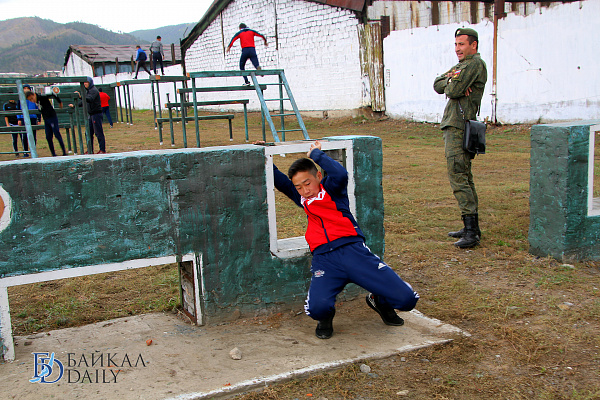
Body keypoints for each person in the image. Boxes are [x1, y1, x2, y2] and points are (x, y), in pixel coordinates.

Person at [269, 140, 419, 339]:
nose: (305, 190)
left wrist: (316, 155)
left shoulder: (331, 189)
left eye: (308, 183)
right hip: (325, 259)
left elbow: (340, 173)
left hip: (353, 252)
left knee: (406, 300)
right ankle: (326, 317)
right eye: (298, 187)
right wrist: (262, 151)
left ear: (319, 177)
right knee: (317, 308)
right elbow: (279, 180)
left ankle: (379, 300)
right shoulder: (303, 199)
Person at [433, 27, 487, 249]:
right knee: (463, 175)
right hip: (454, 125)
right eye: (456, 44)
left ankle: (472, 231)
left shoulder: (474, 64)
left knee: (459, 175)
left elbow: (453, 91)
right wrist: (452, 82)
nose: (457, 49)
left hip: (460, 126)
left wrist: (453, 85)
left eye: (462, 44)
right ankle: (470, 227)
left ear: (473, 45)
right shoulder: (461, 66)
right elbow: (438, 84)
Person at [26, 91, 67, 157]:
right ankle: (53, 154)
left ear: (34, 95)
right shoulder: (37, 102)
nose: (32, 101)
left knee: (56, 134)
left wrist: (59, 102)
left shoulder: (42, 97)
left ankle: (64, 152)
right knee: (48, 137)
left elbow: (53, 94)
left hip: (52, 117)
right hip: (46, 119)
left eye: (32, 98)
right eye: (30, 100)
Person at [72, 77, 106, 154]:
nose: (85, 84)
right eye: (84, 83)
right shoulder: (88, 91)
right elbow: (85, 101)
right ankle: (90, 150)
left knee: (98, 132)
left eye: (86, 82)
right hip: (91, 115)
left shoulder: (93, 90)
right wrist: (75, 105)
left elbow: (89, 99)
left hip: (96, 114)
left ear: (90, 83)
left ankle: (102, 150)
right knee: (88, 133)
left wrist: (80, 97)